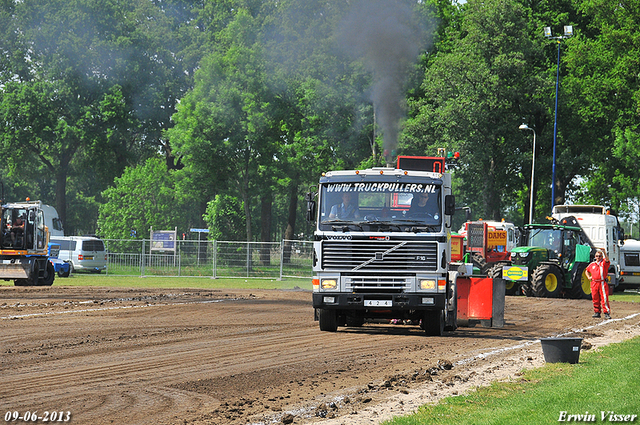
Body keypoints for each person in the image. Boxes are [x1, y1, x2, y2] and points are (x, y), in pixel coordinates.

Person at [585, 249, 611, 319]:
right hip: (594, 283)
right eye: (597, 256)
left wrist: (604, 252)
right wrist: (588, 277)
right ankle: (597, 312)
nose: (598, 257)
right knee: (595, 297)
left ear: (602, 257)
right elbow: (586, 271)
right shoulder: (592, 264)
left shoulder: (603, 263)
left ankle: (606, 313)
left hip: (602, 282)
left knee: (604, 298)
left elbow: (607, 260)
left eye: (599, 256)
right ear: (595, 256)